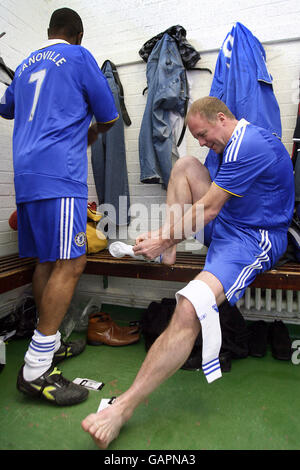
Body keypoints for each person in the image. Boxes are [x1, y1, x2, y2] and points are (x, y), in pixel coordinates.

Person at [81, 96, 294, 448]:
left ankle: (123, 409)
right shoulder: (224, 143)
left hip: (252, 239)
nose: (202, 141)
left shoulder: (251, 144)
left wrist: (163, 237)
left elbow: (208, 209)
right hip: (229, 222)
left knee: (188, 307)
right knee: (184, 165)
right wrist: (169, 235)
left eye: (203, 134)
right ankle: (169, 251)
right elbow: (208, 200)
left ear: (222, 119)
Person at [0, 8, 119, 406]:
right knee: (72, 262)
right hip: (59, 175)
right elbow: (109, 116)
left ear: (48, 31)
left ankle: (45, 346)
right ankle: (35, 369)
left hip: (26, 176)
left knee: (47, 263)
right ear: (77, 35)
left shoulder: (23, 64)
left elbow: (7, 108)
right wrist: (90, 134)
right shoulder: (79, 56)